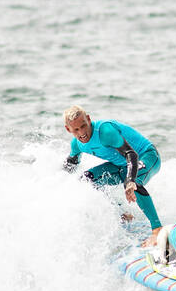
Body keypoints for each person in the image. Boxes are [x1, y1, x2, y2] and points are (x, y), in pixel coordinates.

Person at [62, 105, 163, 247]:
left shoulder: (105, 131)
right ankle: (124, 214)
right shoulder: (77, 144)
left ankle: (157, 229)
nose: (82, 133)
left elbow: (131, 154)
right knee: (86, 179)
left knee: (134, 184)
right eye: (76, 130)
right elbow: (70, 166)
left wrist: (130, 180)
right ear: (68, 129)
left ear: (89, 119)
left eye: (84, 126)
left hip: (147, 156)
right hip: (121, 167)